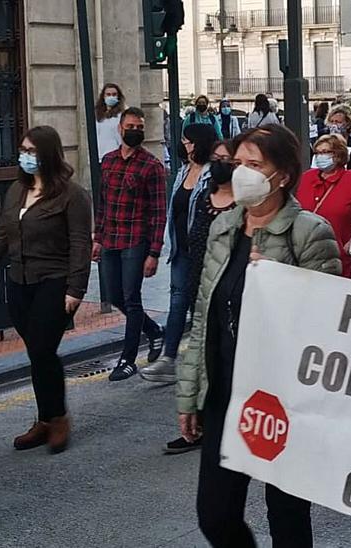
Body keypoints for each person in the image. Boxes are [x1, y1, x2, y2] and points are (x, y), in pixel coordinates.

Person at [177, 124, 340, 548]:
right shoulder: (224, 226)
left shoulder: (310, 232)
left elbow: (326, 323)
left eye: (255, 165)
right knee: (214, 515)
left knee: (286, 516)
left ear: (282, 175)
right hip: (225, 392)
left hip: (283, 399)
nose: (242, 173)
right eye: (238, 164)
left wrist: (277, 280)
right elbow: (204, 316)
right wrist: (190, 395)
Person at [0, 126, 91, 453]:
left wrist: (76, 288)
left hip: (54, 281)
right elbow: (1, 237)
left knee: (42, 350)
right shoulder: (15, 191)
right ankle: (44, 418)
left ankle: (58, 418)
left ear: (48, 155)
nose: (24, 157)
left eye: (31, 152)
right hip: (20, 281)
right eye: (22, 150)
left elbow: (81, 244)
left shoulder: (73, 195)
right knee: (36, 352)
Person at [157, 139, 238, 456]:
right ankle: (200, 421)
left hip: (229, 292)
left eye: (227, 160)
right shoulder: (205, 197)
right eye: (215, 158)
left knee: (225, 357)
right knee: (203, 352)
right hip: (199, 283)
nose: (220, 164)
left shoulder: (245, 204)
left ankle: (224, 422)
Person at [141, 124, 220, 385]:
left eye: (187, 142)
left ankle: (208, 361)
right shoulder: (183, 171)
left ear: (199, 144)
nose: (183, 146)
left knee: (202, 307)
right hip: (181, 251)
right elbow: (175, 211)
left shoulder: (213, 174)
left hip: (205, 254)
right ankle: (168, 358)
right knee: (177, 302)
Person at [94, 107, 168, 380]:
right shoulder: (109, 161)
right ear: (120, 128)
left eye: (140, 127)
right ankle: (153, 330)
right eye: (131, 126)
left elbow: (159, 213)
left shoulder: (152, 166)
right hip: (111, 239)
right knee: (114, 296)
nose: (135, 131)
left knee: (131, 298)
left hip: (136, 241)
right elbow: (103, 205)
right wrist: (97, 239)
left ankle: (128, 359)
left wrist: (154, 253)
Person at [298, 134, 351, 277]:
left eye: (325, 152)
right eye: (317, 153)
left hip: (342, 261)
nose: (320, 156)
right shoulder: (307, 177)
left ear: (338, 155)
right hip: (307, 258)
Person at [94, 83, 125, 159]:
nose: (111, 97)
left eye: (114, 94)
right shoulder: (97, 114)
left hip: (113, 156)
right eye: (108, 94)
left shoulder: (121, 115)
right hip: (98, 155)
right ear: (103, 96)